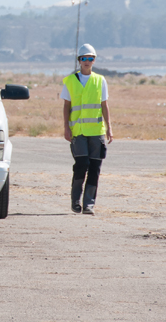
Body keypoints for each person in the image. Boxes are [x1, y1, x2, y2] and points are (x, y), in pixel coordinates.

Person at [61, 44, 113, 214]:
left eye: (91, 58)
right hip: (78, 132)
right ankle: (75, 200)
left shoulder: (100, 80)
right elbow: (66, 107)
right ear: (79, 60)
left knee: (95, 168)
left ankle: (89, 204)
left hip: (97, 131)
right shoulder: (70, 81)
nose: (87, 61)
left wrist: (109, 128)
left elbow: (104, 105)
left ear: (94, 60)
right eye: (84, 58)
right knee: (81, 164)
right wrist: (66, 128)